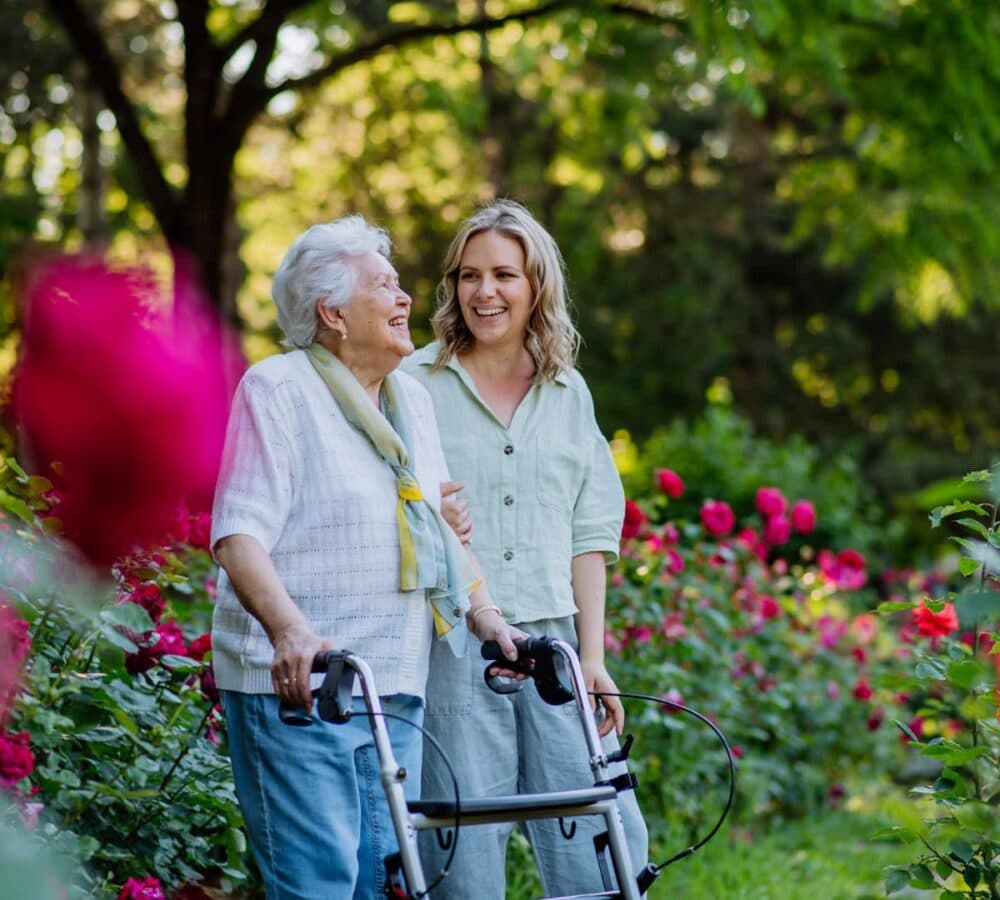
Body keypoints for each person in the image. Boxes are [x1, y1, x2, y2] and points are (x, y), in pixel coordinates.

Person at [210, 215, 518, 899]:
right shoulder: (279, 389)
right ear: (332, 312)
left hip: (392, 687)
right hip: (301, 689)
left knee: (386, 884)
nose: (406, 298)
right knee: (320, 884)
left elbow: (437, 528)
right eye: (384, 286)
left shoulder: (410, 398)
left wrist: (488, 617)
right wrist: (290, 629)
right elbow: (238, 532)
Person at [401, 200, 649, 898]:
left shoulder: (569, 393)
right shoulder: (413, 386)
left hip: (554, 646)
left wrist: (592, 656)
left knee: (600, 841)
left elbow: (591, 534)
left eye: (505, 274)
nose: (485, 292)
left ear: (537, 284)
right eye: (469, 275)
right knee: (461, 846)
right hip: (453, 646)